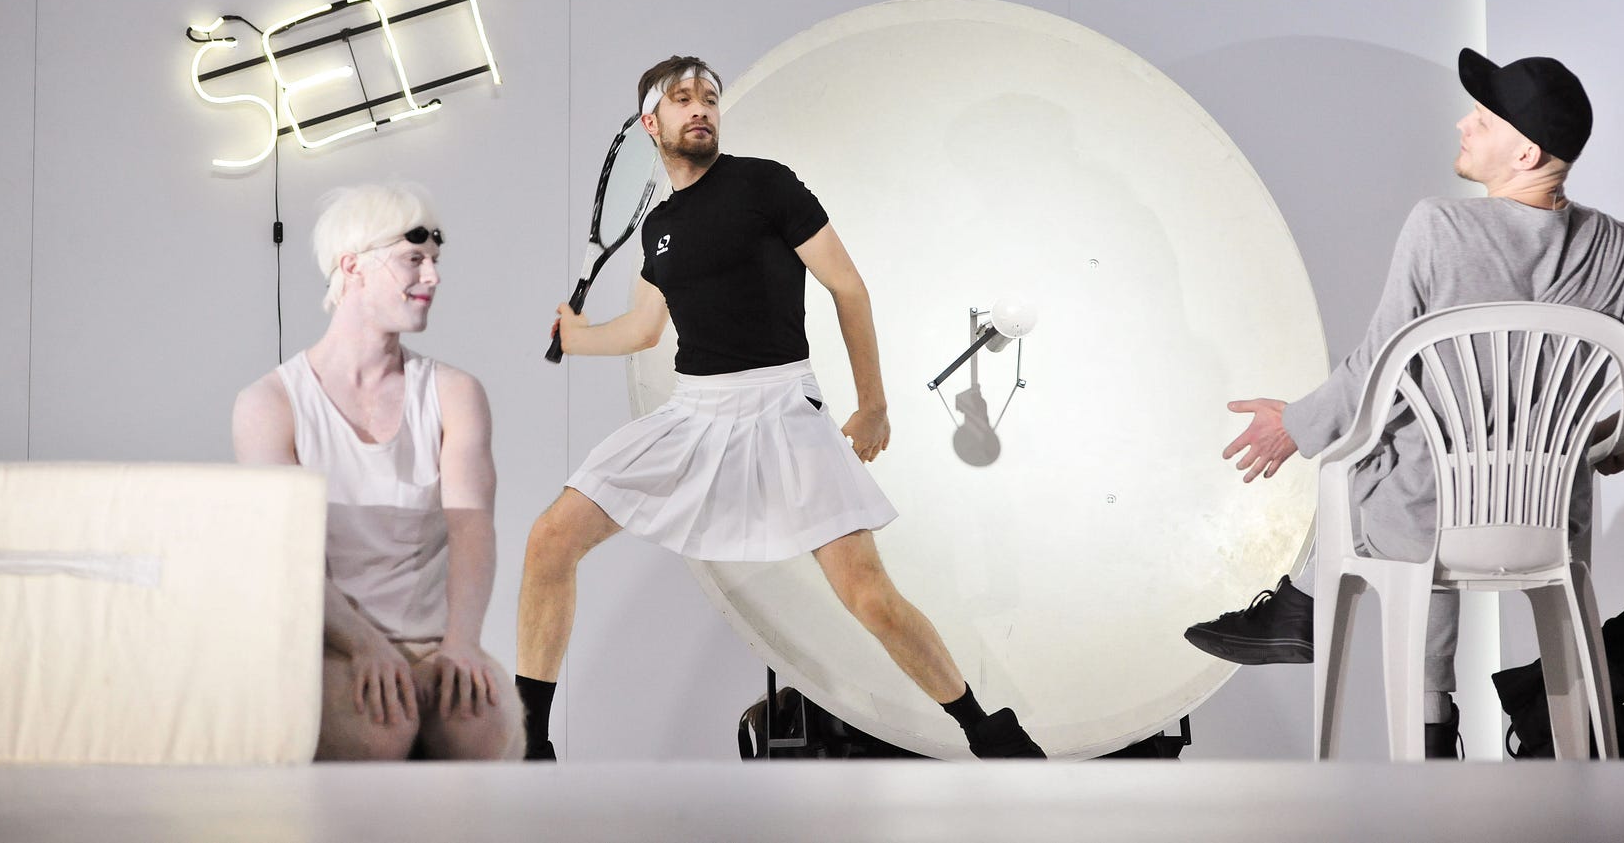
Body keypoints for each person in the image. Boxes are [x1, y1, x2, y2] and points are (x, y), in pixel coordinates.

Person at [514, 56, 1043, 761]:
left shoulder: (766, 184)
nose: (700, 108)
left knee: (869, 595)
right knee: (551, 538)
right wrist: (577, 337)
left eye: (709, 97)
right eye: (682, 98)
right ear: (651, 123)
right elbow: (644, 328)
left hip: (782, 403)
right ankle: (529, 744)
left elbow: (848, 287)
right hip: (695, 411)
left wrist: (873, 402)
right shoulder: (659, 227)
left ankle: (986, 731)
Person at [1183, 50, 1624, 757]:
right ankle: (1340, 639)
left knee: (1390, 456)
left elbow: (1376, 368)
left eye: (1483, 119)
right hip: (1547, 522)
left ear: (1525, 153)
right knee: (1423, 446)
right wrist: (1606, 444)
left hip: (1427, 520)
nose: (1464, 123)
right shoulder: (1622, 250)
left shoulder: (1439, 227)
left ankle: (1356, 654)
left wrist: (1294, 427)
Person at [233, 183, 523, 760]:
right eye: (413, 259)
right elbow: (288, 557)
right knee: (376, 728)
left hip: (433, 643)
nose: (432, 276)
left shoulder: (455, 393)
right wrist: (363, 644)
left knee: (482, 723)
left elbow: (472, 529)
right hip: (328, 642)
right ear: (353, 268)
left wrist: (462, 644)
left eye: (435, 259)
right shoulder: (270, 403)